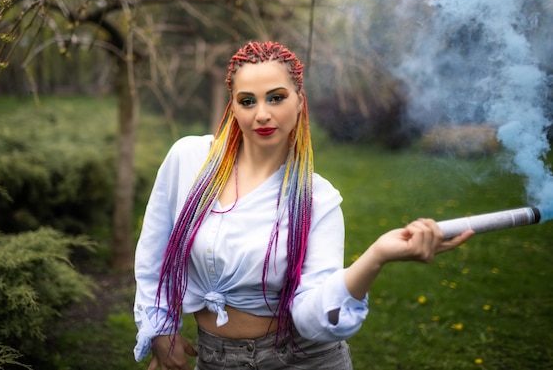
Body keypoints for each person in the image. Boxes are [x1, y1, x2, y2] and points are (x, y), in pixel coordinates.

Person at [133, 40, 473, 370]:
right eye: (247, 101)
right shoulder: (189, 159)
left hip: (299, 359)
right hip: (211, 358)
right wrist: (160, 327)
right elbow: (153, 254)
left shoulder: (317, 201)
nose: (262, 114)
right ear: (232, 107)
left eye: (276, 98)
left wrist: (377, 256)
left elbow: (313, 318)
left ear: (299, 101)